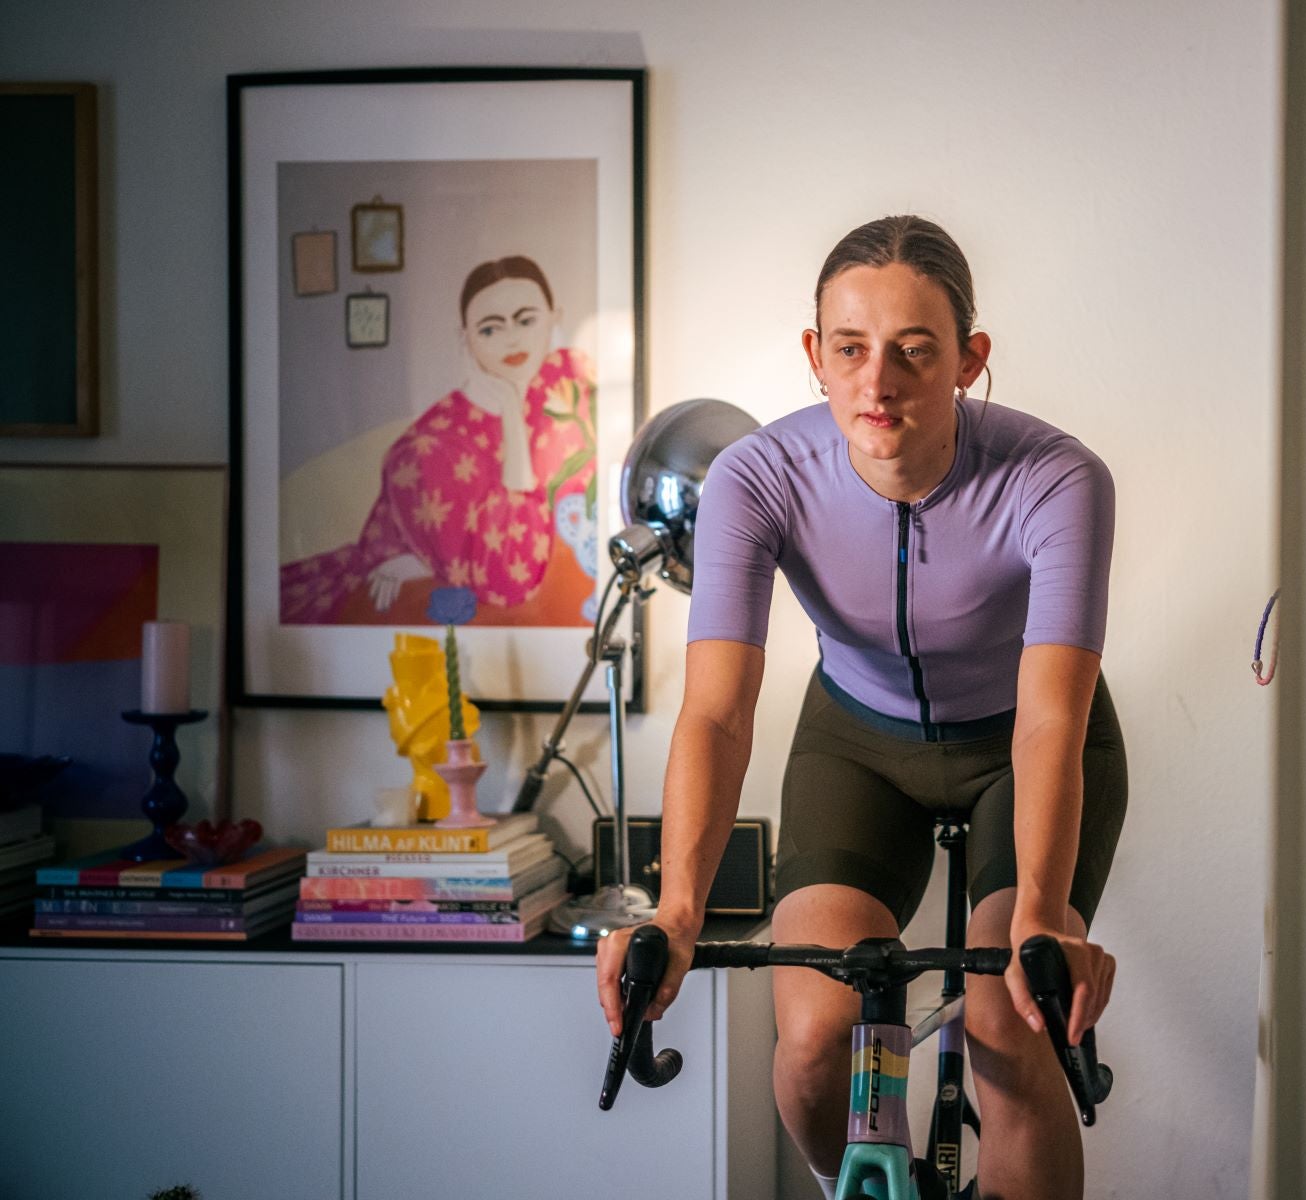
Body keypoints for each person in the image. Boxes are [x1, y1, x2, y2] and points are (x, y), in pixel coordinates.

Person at [595, 216, 1127, 1199]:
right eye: (850, 349)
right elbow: (716, 714)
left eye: (914, 352)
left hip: (1024, 741)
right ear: (816, 357)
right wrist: (675, 910)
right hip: (857, 744)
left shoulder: (1057, 480)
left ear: (970, 360)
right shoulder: (756, 479)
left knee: (1007, 1027)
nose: (877, 383)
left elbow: (1050, 716)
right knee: (810, 1044)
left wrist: (1044, 919)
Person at [280, 255, 596, 624]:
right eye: (490, 330)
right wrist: (511, 409)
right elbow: (511, 578)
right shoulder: (430, 448)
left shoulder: (569, 378)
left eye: (526, 320)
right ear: (465, 338)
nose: (511, 338)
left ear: (554, 319)